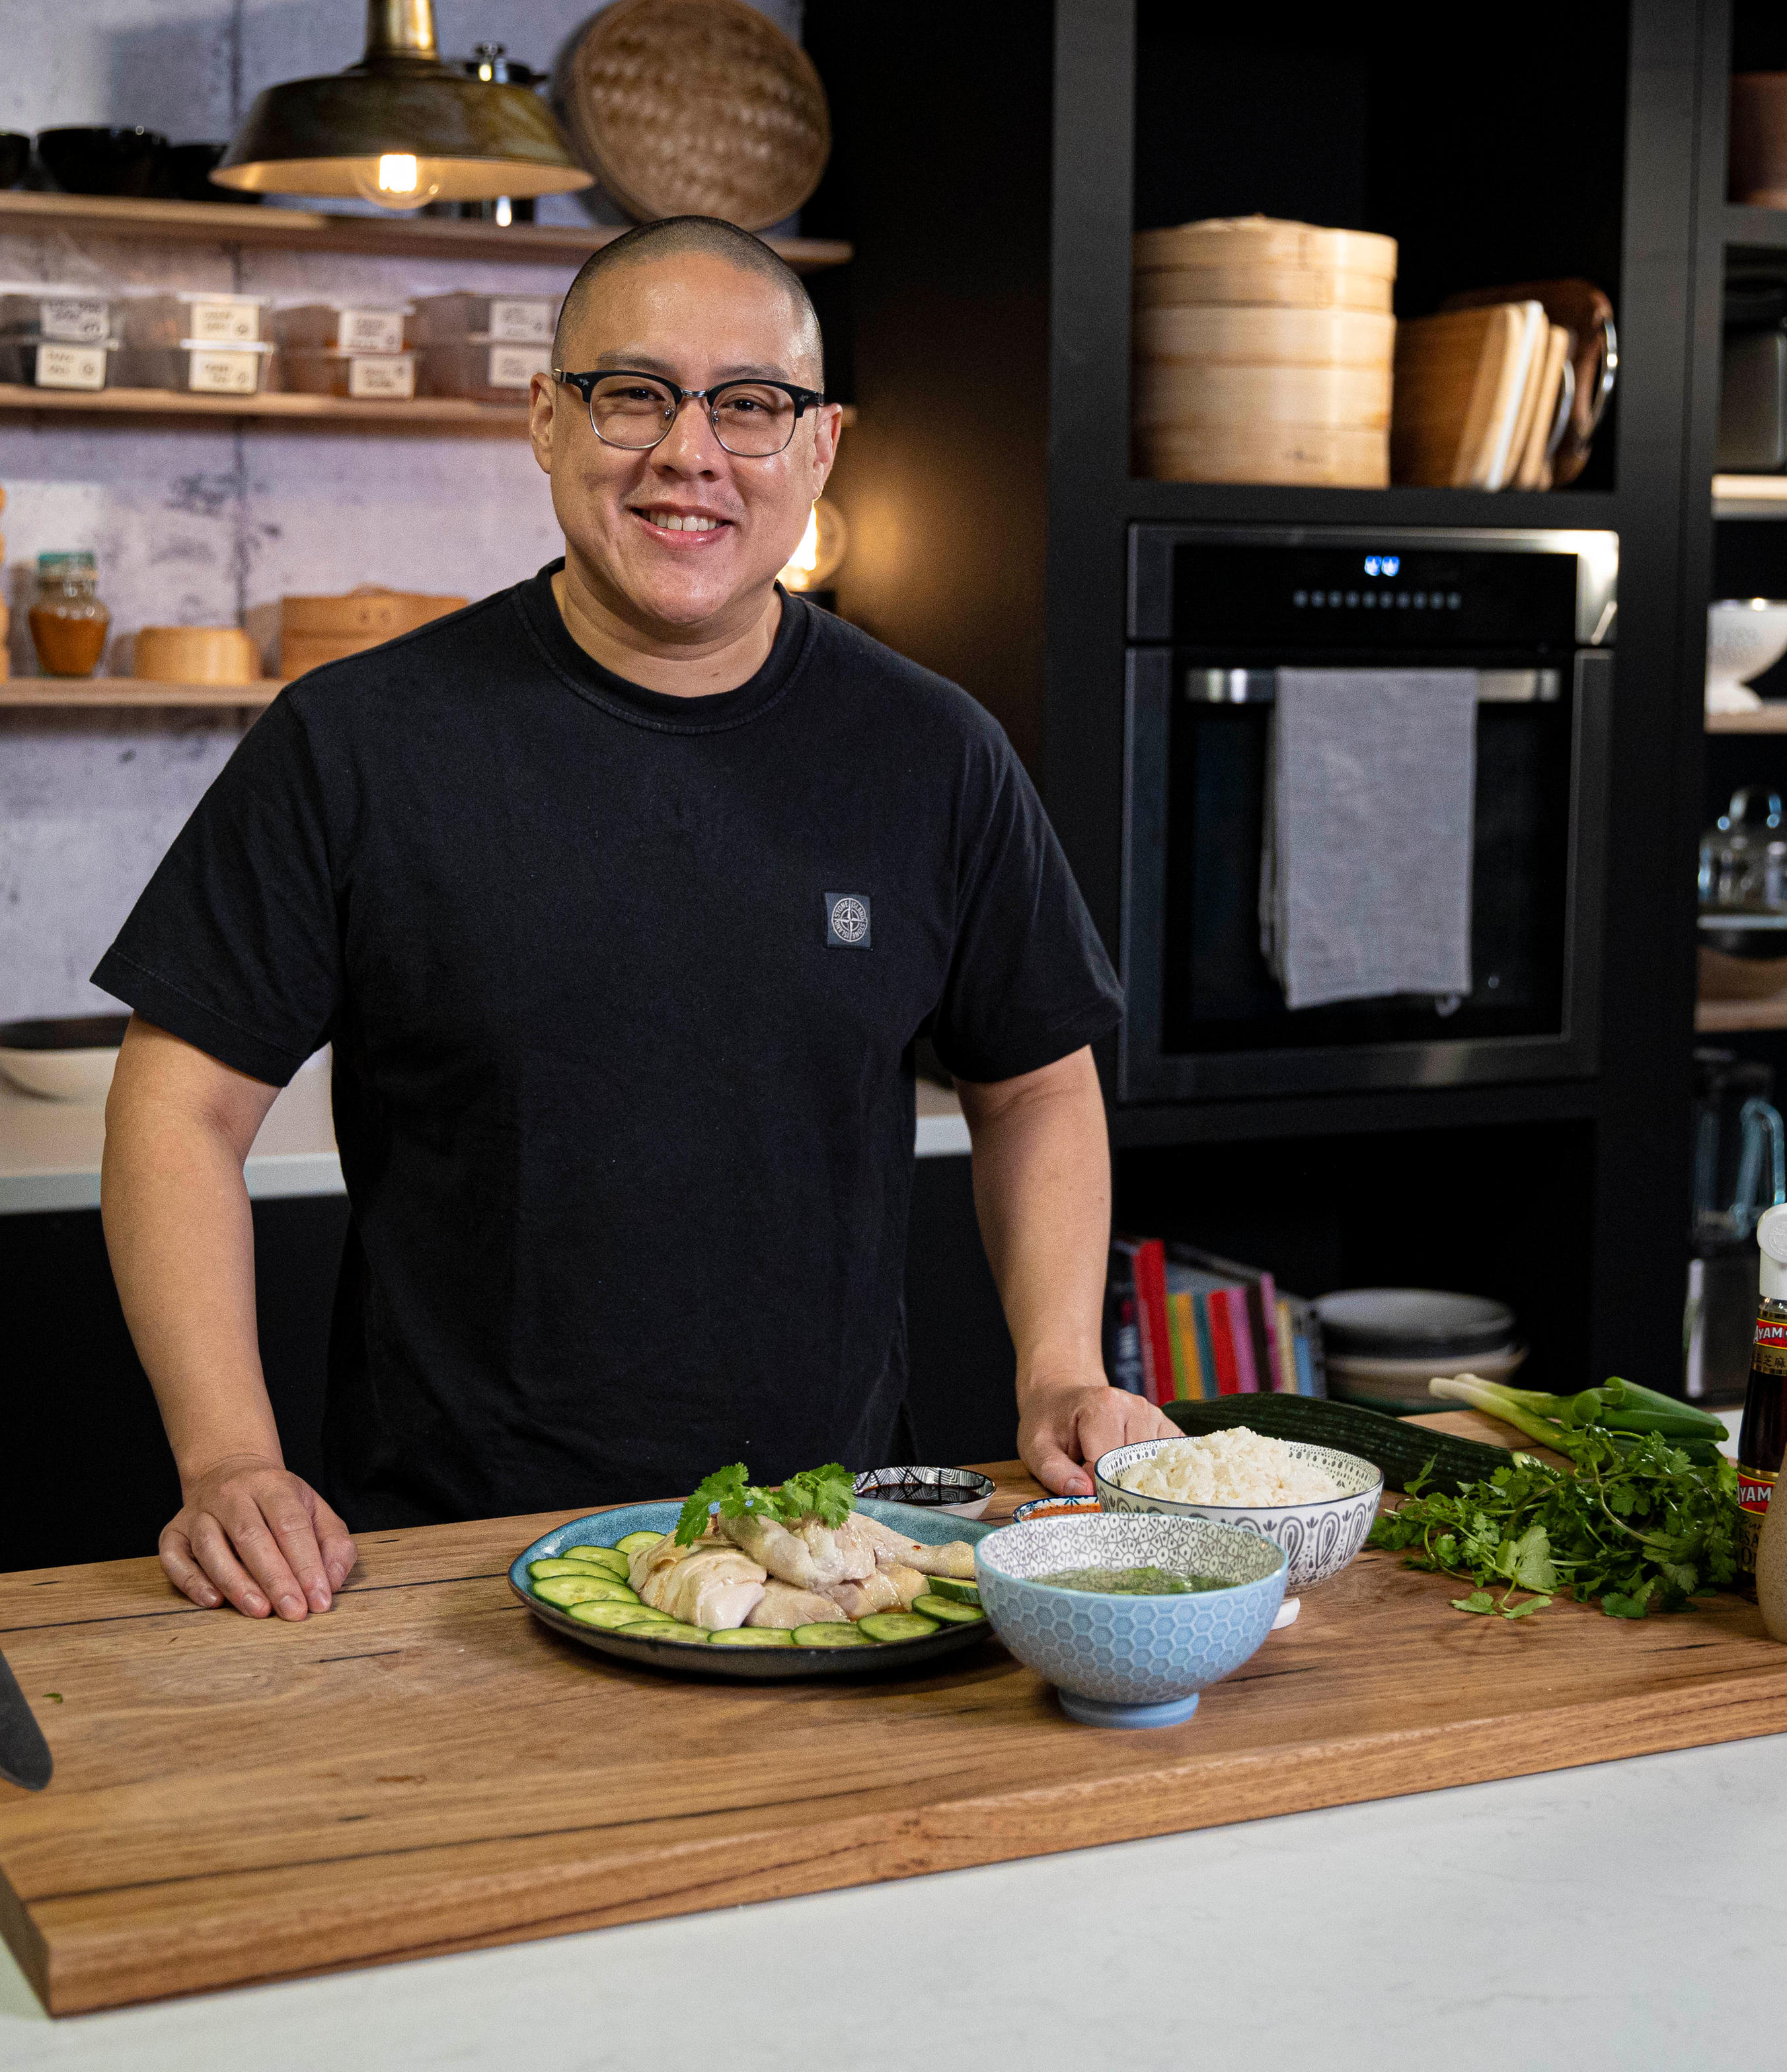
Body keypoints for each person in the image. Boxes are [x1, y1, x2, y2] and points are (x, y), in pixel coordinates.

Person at [94, 215, 1173, 1620]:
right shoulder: (357, 742)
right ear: (546, 420)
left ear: (820, 447)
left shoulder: (932, 752)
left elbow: (1032, 1080)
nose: (691, 452)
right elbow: (175, 1110)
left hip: (829, 1556)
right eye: (634, 394)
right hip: (443, 1562)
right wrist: (229, 1456)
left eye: (750, 406)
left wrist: (1058, 1368)